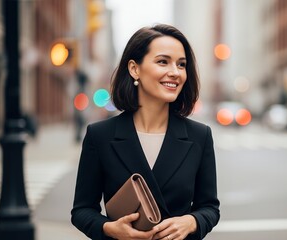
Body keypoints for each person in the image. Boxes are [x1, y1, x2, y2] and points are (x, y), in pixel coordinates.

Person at [71, 24, 220, 240]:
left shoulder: (200, 136)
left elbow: (209, 208)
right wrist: (109, 229)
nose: (175, 72)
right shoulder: (100, 135)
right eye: (163, 61)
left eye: (181, 64)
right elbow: (82, 210)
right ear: (134, 69)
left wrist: (192, 221)